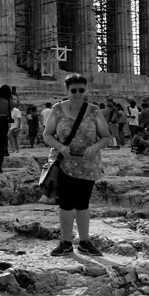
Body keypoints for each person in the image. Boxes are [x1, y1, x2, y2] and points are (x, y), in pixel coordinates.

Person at [43, 73, 110, 256]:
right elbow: (47, 135)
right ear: (67, 91)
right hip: (64, 163)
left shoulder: (94, 110)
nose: (78, 94)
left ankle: (84, 241)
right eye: (74, 90)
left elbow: (106, 136)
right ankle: (65, 242)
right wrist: (60, 146)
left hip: (88, 165)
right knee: (65, 203)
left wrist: (95, 147)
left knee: (82, 203)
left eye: (81, 90)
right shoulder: (57, 109)